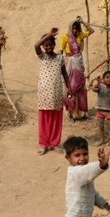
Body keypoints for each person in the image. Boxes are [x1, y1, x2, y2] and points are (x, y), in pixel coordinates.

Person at [35, 28, 70, 156]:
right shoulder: (42, 56)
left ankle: (54, 144)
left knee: (56, 119)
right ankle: (44, 144)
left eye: (51, 44)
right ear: (44, 46)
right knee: (44, 119)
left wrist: (69, 86)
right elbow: (35, 45)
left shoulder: (60, 58)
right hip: (44, 93)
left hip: (56, 93)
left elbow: (65, 74)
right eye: (46, 45)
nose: (48, 47)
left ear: (54, 45)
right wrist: (49, 34)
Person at [63, 136, 110, 217]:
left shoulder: (84, 175)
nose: (82, 158)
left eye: (85, 154)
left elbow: (92, 193)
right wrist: (101, 165)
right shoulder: (74, 172)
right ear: (68, 158)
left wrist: (105, 204)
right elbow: (87, 171)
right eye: (77, 155)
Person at [59, 16, 94, 122]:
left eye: (77, 28)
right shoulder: (65, 37)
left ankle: (82, 113)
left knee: (81, 88)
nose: (75, 30)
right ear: (70, 28)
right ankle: (70, 114)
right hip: (69, 63)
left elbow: (91, 30)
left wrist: (82, 21)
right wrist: (61, 65)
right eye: (73, 28)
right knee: (70, 88)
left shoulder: (81, 35)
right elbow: (61, 52)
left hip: (78, 62)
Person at [91, 71, 110, 146]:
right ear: (103, 79)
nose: (109, 79)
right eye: (107, 77)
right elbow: (94, 89)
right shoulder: (100, 86)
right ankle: (102, 140)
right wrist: (98, 83)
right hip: (100, 109)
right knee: (100, 126)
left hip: (109, 111)